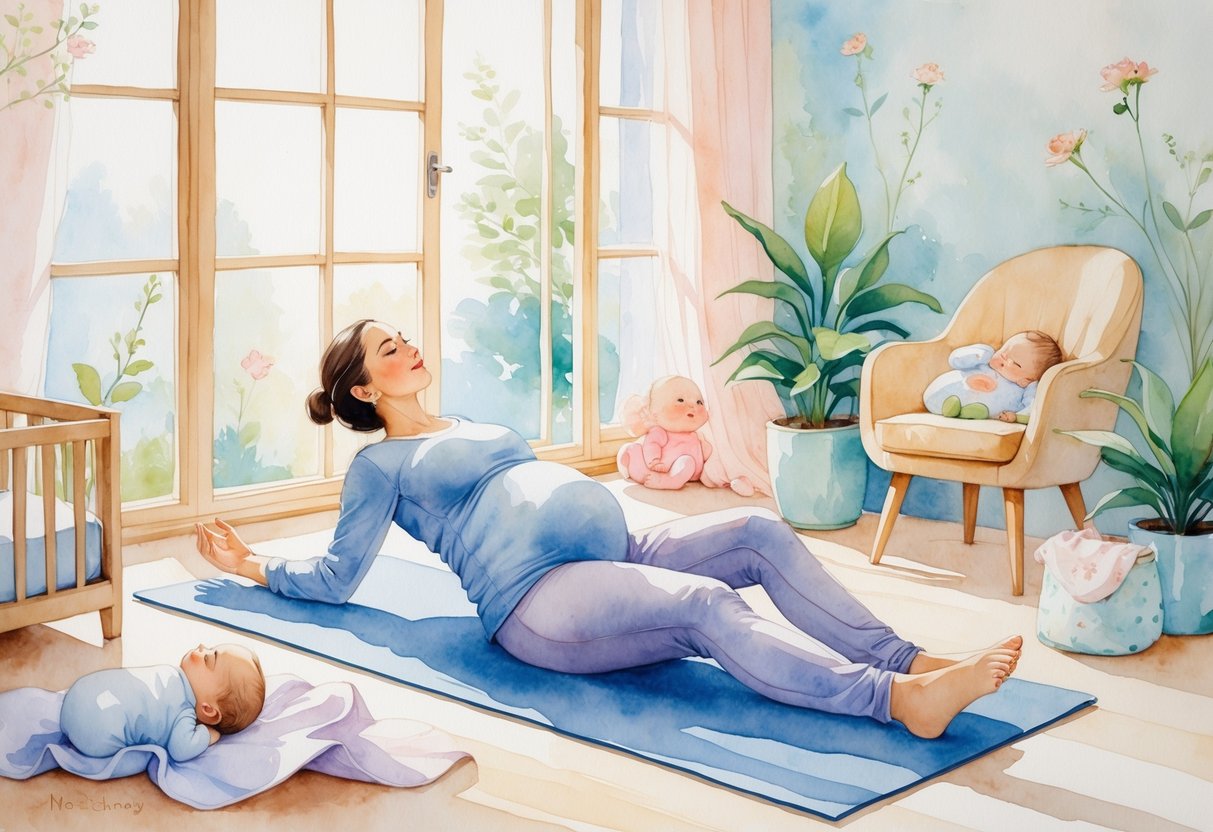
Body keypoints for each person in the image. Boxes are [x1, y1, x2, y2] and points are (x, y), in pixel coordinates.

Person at [195, 320, 1021, 740]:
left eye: (403, 336)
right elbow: (342, 574)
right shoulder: (380, 468)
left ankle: (911, 661)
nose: (407, 346)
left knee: (761, 533)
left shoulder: (465, 419)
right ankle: (893, 703)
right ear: (365, 389)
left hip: (618, 550)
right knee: (703, 605)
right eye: (387, 348)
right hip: (539, 602)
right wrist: (257, 568)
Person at [61, 643, 265, 761]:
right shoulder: (177, 688)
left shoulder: (182, 708)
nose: (201, 647)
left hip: (79, 701)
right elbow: (180, 749)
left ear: (209, 710)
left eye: (208, 658)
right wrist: (207, 734)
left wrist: (203, 733)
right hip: (94, 723)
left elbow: (180, 750)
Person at [616, 375, 754, 495]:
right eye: (681, 400)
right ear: (655, 413)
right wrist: (654, 460)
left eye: (699, 402)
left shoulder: (696, 435)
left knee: (687, 462)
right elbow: (652, 444)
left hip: (687, 469)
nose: (693, 406)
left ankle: (671, 479)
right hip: (657, 468)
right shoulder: (659, 431)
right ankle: (663, 478)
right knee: (632, 449)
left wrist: (705, 451)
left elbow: (706, 452)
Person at [923, 331, 1063, 423]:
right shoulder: (984, 360)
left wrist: (1016, 416)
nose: (1005, 358)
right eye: (1004, 350)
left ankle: (965, 411)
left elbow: (1033, 408)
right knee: (949, 391)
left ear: (1025, 380)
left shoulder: (1025, 388)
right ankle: (955, 407)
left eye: (1015, 363)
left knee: (977, 409)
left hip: (975, 408)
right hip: (943, 391)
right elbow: (955, 360)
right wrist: (976, 354)